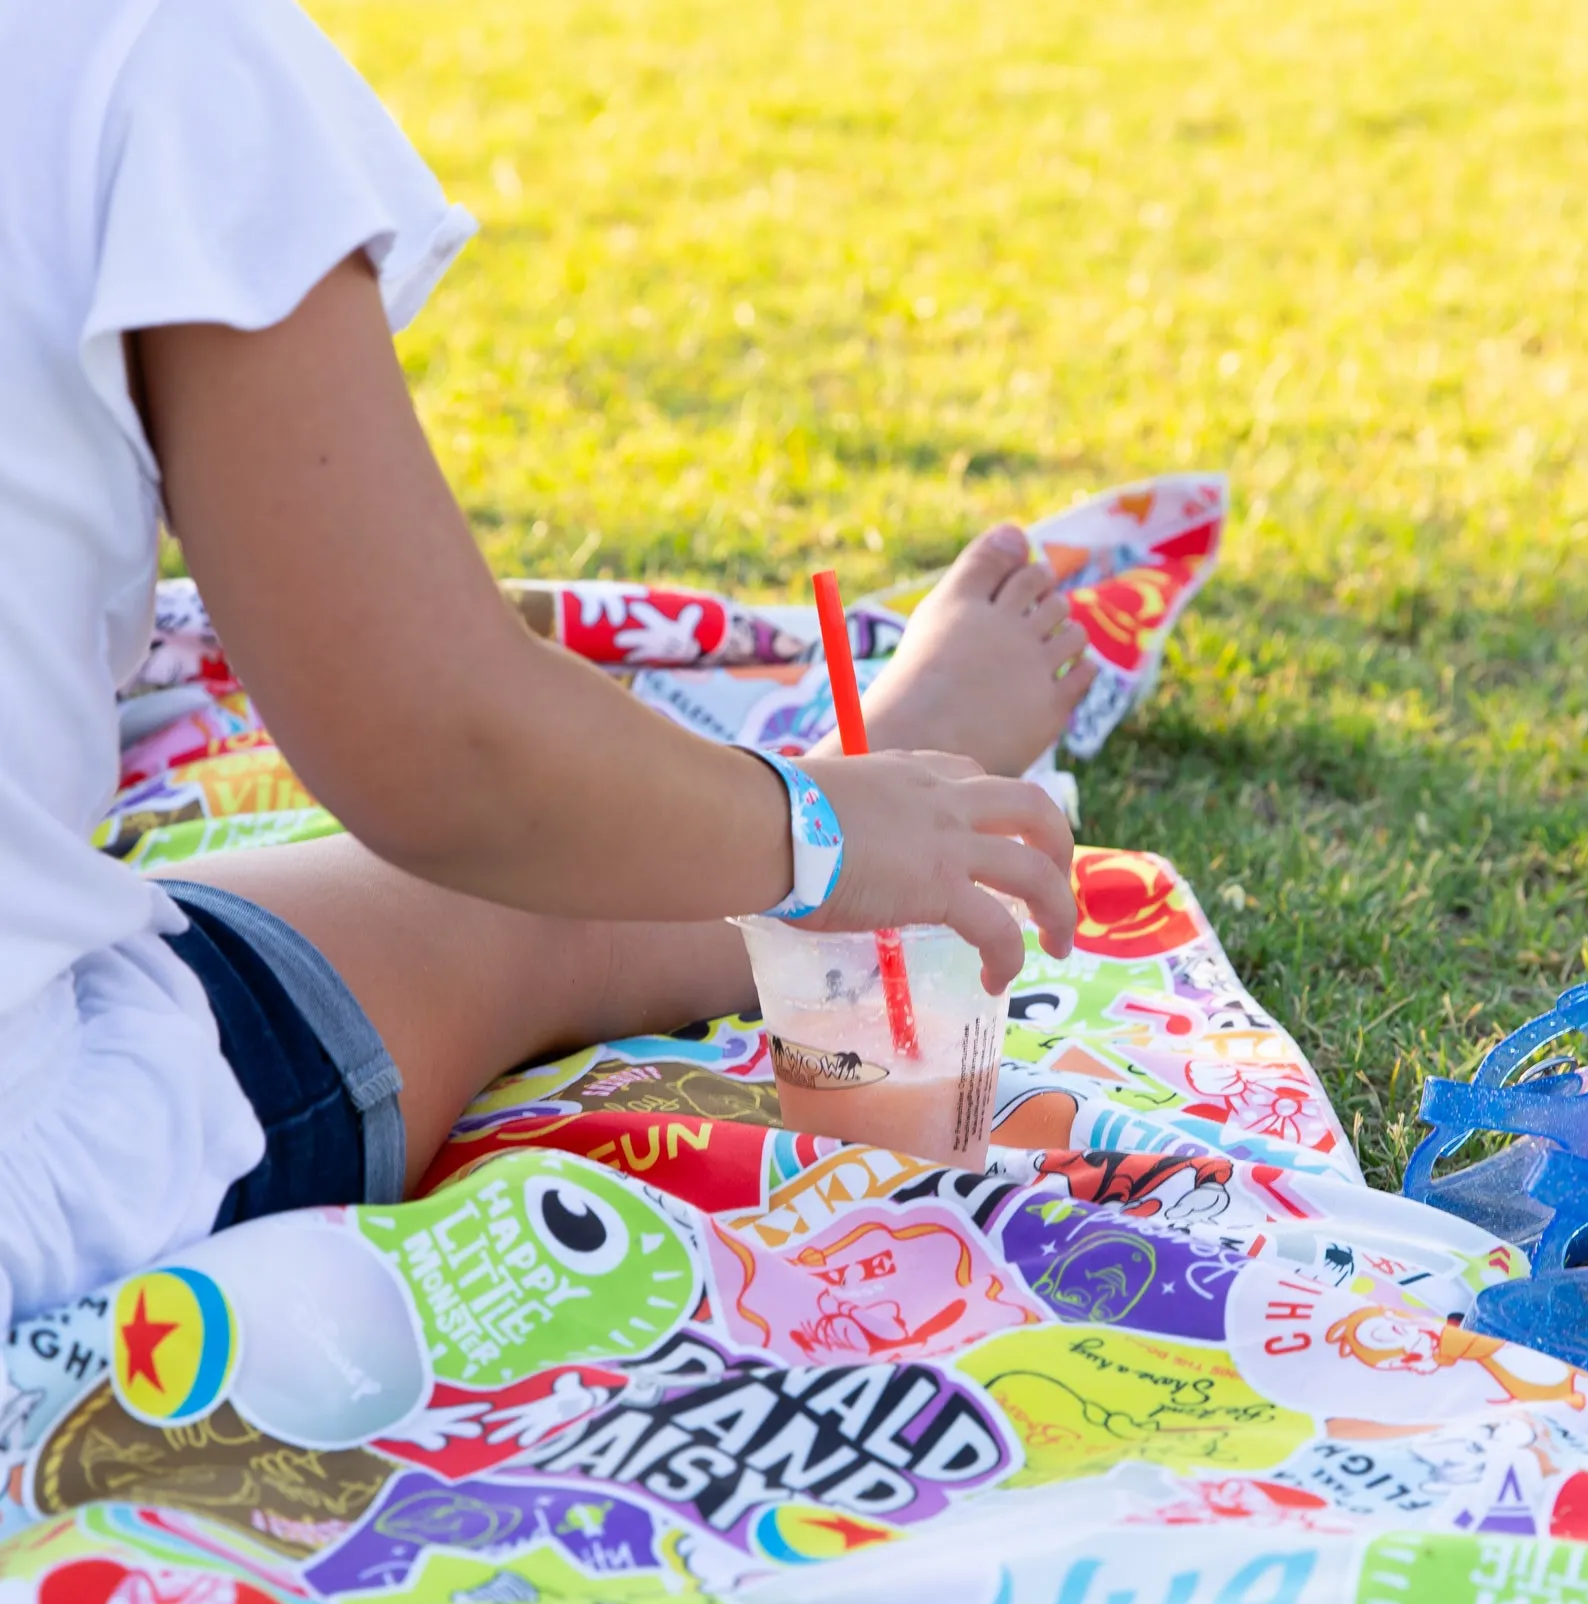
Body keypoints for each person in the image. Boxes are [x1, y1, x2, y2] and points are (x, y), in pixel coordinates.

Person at [0, 0, 1101, 1328]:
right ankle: (848, 794)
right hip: (42, 1194)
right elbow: (453, 755)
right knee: (521, 900)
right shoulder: (152, 51)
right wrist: (819, 830)